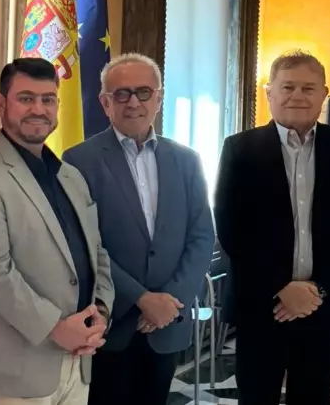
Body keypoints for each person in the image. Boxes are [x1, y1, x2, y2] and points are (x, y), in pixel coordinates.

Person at [0, 58, 115, 405]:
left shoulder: (70, 177)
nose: (39, 109)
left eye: (48, 99)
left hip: (76, 359)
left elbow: (96, 253)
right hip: (10, 371)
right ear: (1, 104)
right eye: (26, 98)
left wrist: (101, 312)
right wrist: (56, 328)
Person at [214, 50, 330, 404]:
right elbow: (231, 229)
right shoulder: (240, 149)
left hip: (325, 305)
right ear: (269, 92)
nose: (297, 96)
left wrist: (318, 289)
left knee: (314, 398)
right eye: (287, 87)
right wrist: (280, 288)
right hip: (261, 306)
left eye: (308, 88)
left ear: (324, 94)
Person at [63, 53, 215, 405]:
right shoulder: (78, 161)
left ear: (158, 98)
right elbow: (83, 244)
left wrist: (170, 303)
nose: (133, 102)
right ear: (105, 102)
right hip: (111, 323)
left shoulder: (187, 161)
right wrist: (142, 299)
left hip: (168, 323)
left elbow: (201, 236)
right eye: (121, 94)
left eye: (144, 92)